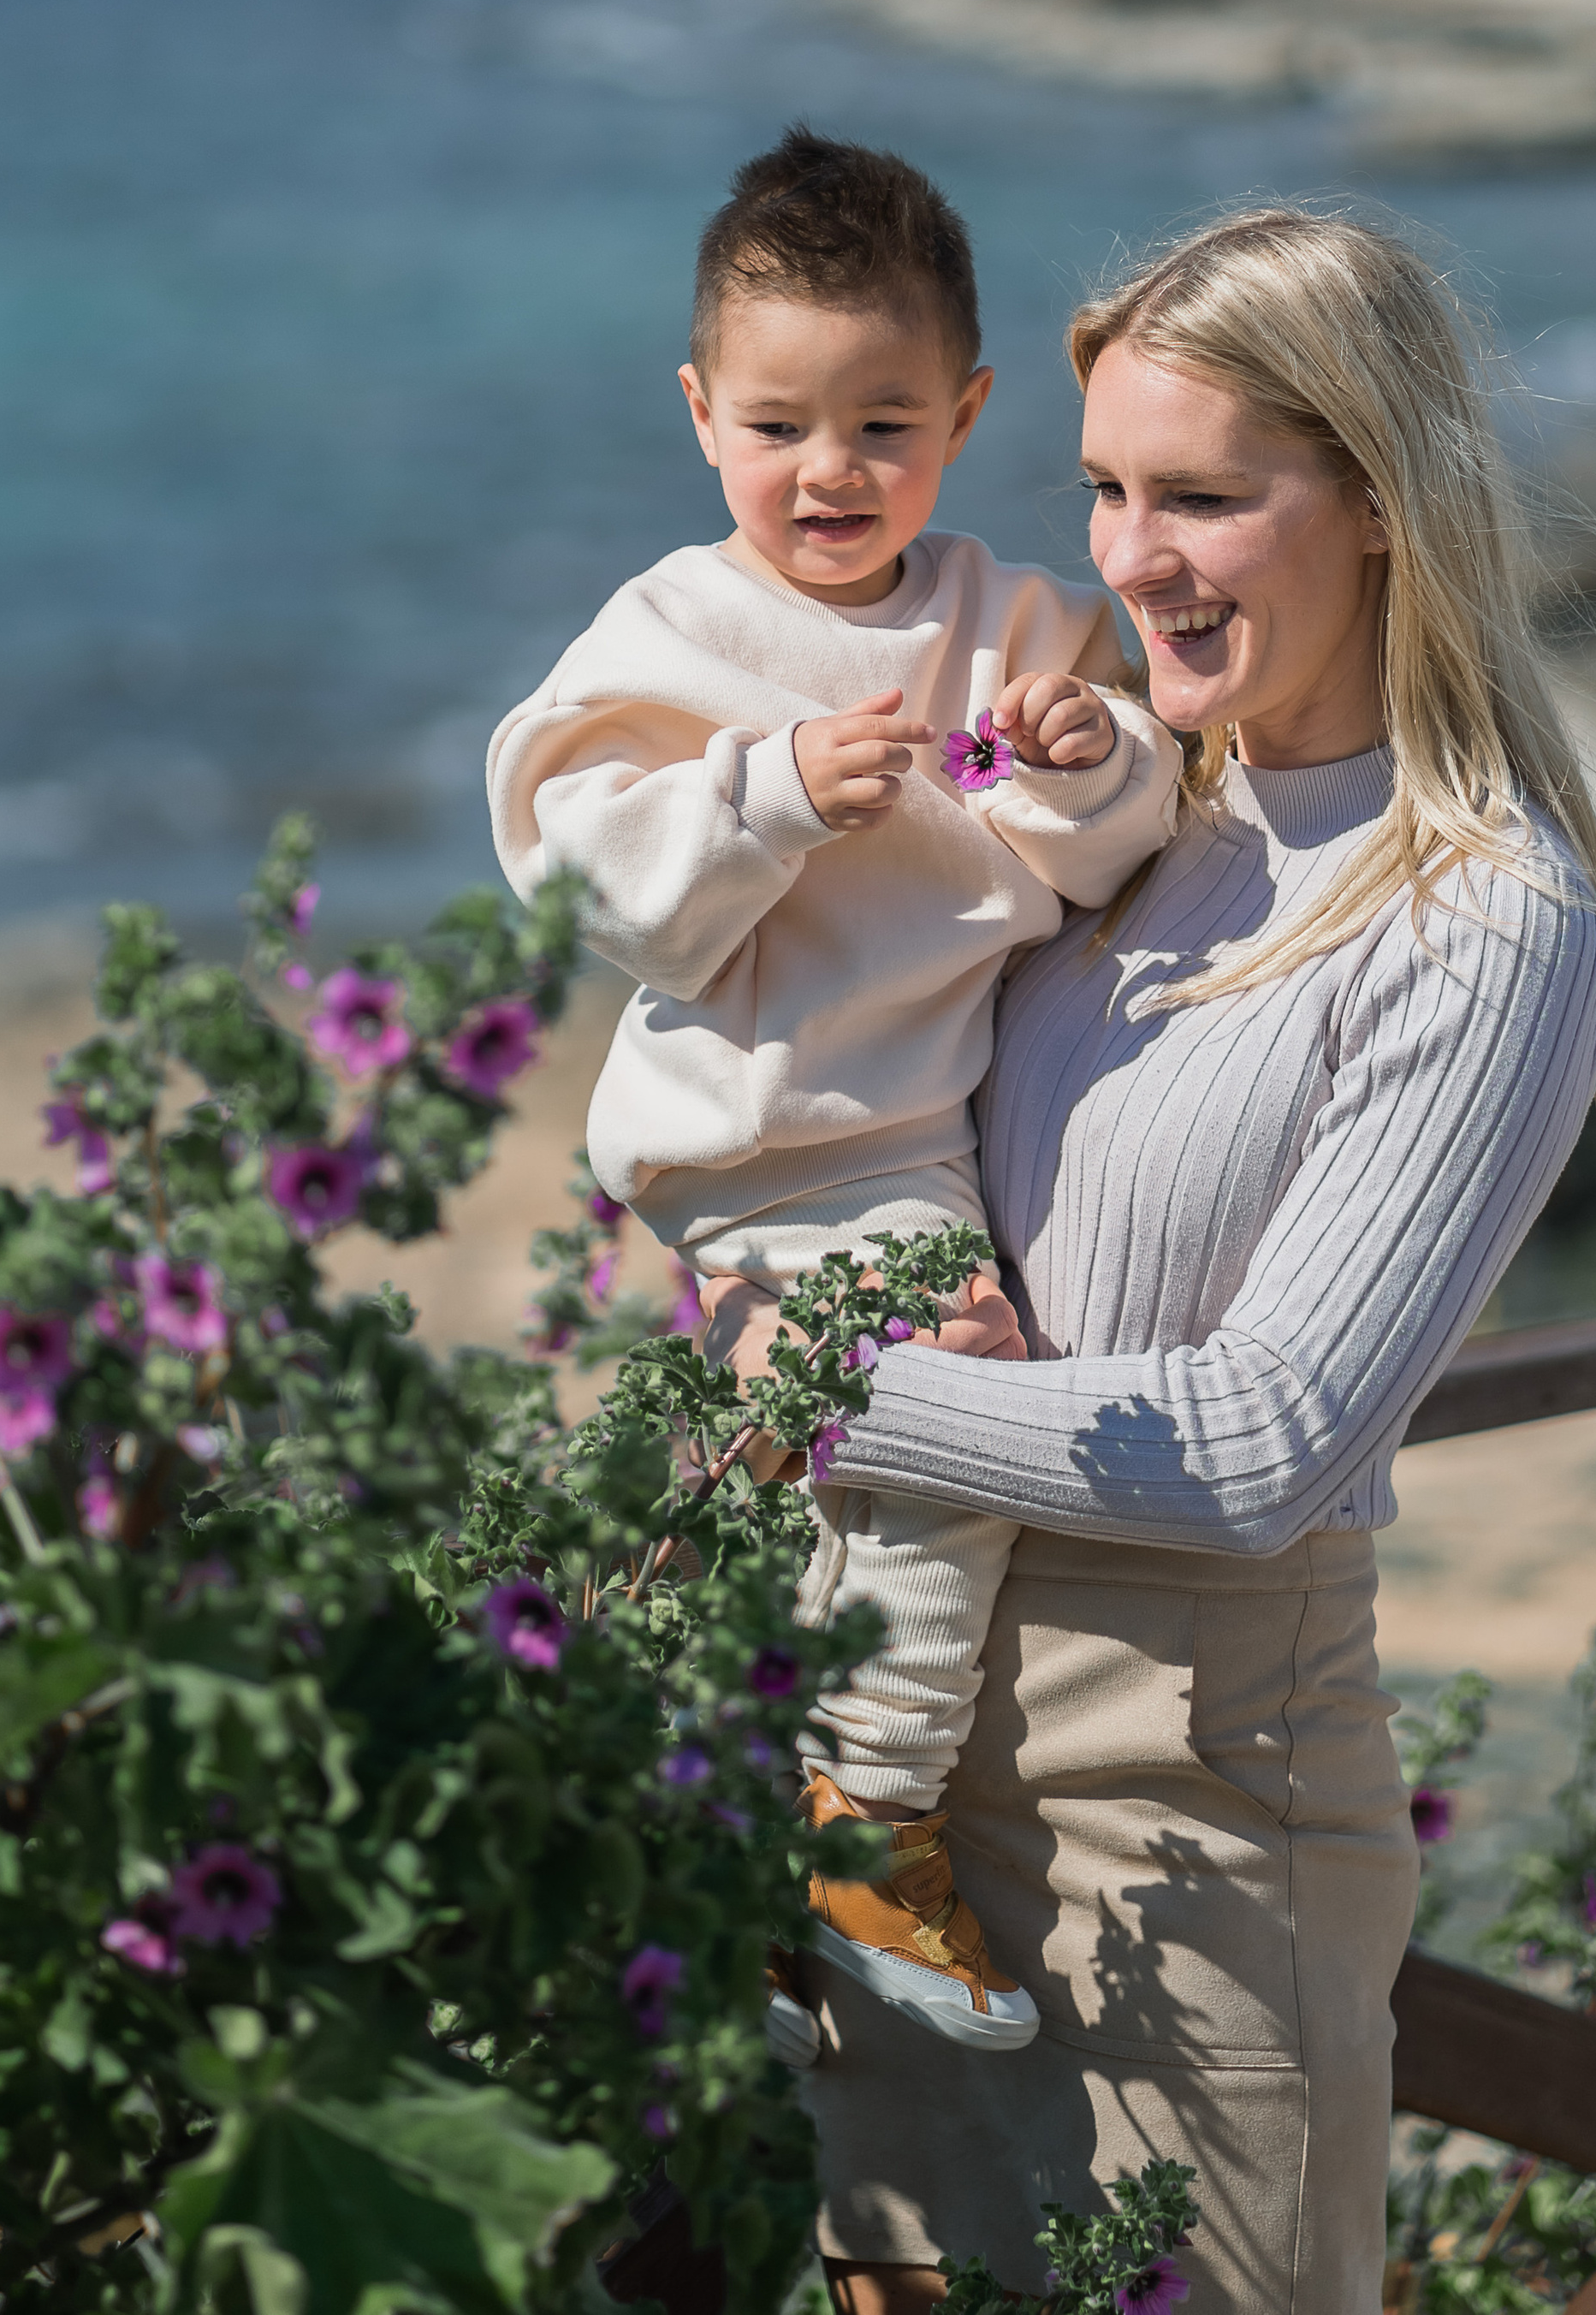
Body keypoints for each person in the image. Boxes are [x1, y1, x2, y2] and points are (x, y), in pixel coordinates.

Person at [709, 205, 1596, 2313]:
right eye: (1106, 488)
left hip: (1189, 1799)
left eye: (1204, 495)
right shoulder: (1108, 818)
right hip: (893, 1778)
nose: (1127, 559)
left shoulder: (1482, 914)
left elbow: (1259, 1444)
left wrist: (816, 1384)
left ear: (1378, 502)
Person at [486, 127, 1180, 2054]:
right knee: (942, 1421)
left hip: (908, 1140)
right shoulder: (672, 631)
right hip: (749, 1147)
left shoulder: (1012, 616)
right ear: (702, 413)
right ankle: (862, 1820)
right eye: (780, 423)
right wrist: (763, 793)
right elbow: (570, 873)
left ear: (962, 414)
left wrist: (1082, 752)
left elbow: (1111, 840)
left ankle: (749, 1867)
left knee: (834, 1482)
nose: (830, 470)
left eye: (883, 423)